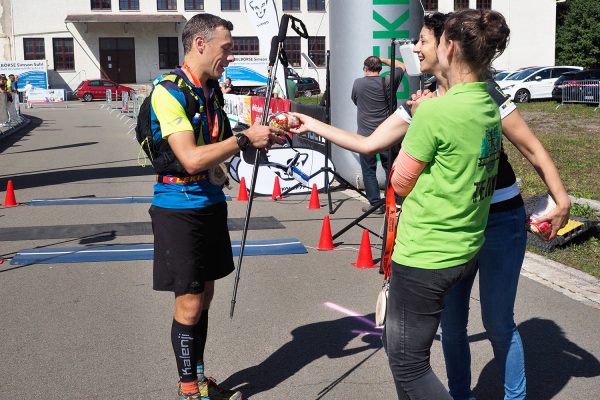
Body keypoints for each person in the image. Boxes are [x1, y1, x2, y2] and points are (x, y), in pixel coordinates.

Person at [292, 10, 570, 400]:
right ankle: (460, 394)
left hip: (499, 218)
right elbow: (369, 143)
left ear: (448, 45)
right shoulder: (422, 103)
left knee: (498, 322)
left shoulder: (485, 95)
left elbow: (532, 149)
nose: (415, 48)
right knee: (452, 327)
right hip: (455, 230)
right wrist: (312, 125)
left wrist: (562, 198)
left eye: (423, 40)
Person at [148, 13, 282, 400]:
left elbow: (223, 140)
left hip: (210, 201)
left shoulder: (211, 90)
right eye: (226, 48)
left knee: (205, 297)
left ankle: (200, 378)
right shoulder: (167, 90)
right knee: (189, 303)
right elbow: (190, 158)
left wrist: (263, 134)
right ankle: (189, 390)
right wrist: (243, 140)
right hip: (179, 206)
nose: (231, 56)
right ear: (200, 44)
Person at [351, 56, 405, 214]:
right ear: (380, 68)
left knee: (368, 170)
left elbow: (355, 100)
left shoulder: (358, 83)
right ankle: (395, 202)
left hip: (365, 136)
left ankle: (375, 204)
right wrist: (383, 59)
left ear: (365, 68)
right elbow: (402, 66)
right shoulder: (388, 81)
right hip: (388, 135)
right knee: (391, 169)